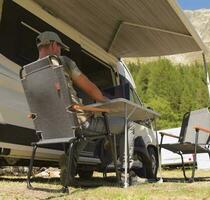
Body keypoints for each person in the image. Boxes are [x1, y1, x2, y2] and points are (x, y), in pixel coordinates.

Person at [36, 31, 149, 186]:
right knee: (127, 125)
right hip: (79, 122)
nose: (60, 50)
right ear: (54, 45)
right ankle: (126, 173)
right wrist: (105, 100)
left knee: (81, 133)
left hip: (52, 126)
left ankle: (68, 169)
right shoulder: (63, 62)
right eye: (60, 47)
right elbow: (89, 87)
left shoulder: (31, 71)